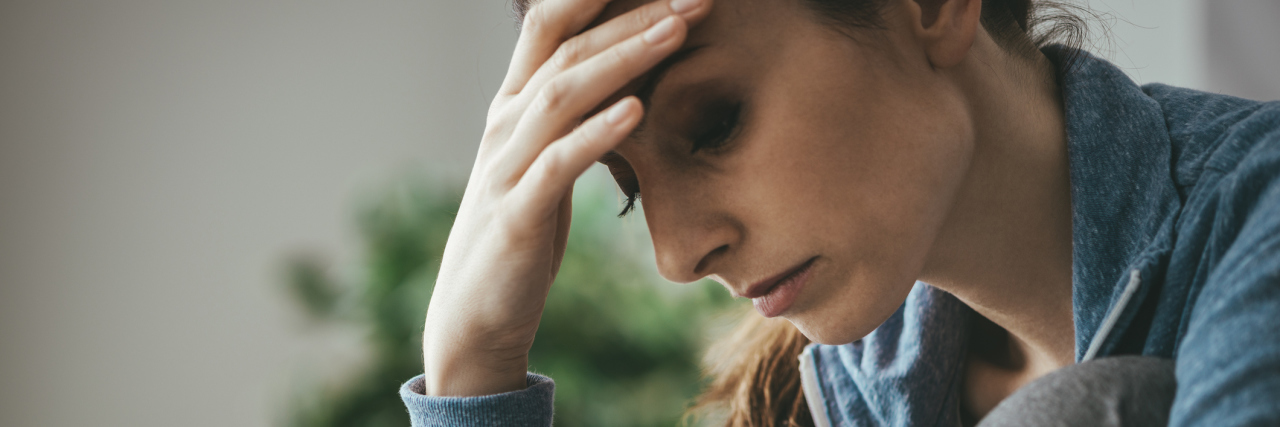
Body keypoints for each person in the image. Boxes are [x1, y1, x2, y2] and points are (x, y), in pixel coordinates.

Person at [398, 0, 1280, 425]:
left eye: (714, 123)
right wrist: (474, 369)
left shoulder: (1259, 219)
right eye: (628, 186)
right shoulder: (820, 393)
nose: (675, 254)